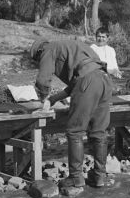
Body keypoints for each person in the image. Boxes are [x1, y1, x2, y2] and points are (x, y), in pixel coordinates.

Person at [29, 38, 112, 189]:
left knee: (75, 132)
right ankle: (100, 176)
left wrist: (43, 99)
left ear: (40, 51)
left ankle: (75, 178)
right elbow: (77, 82)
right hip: (104, 80)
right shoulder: (72, 46)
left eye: (38, 59)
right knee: (99, 132)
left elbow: (43, 80)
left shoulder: (49, 47)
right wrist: (53, 99)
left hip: (89, 82)